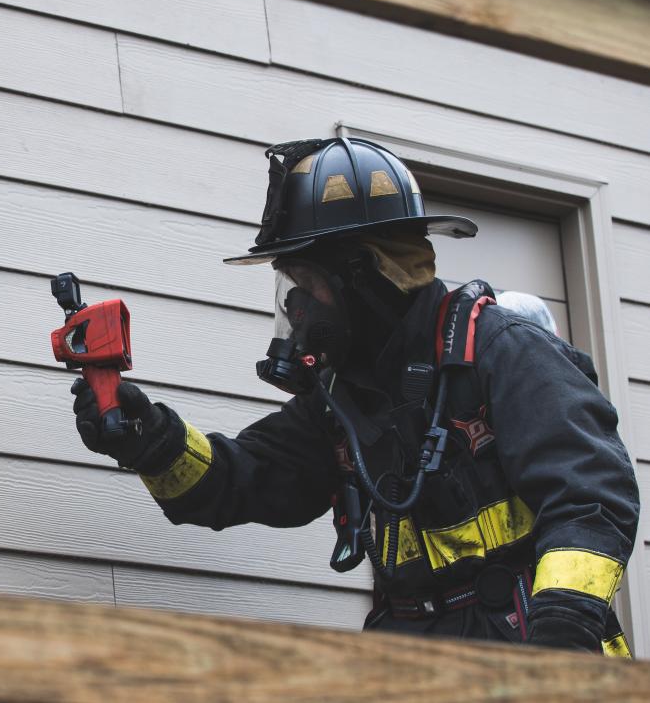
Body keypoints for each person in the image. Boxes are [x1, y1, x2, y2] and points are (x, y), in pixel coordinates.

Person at [71, 137, 639, 655]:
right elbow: (241, 480)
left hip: (533, 646)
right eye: (286, 289)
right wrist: (151, 440)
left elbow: (592, 495)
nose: (295, 309)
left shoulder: (500, 350)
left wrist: (561, 637)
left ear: (363, 276)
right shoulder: (340, 399)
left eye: (304, 284)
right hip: (413, 660)